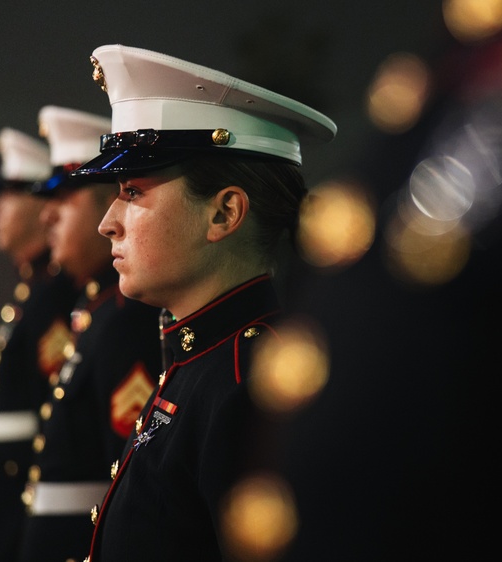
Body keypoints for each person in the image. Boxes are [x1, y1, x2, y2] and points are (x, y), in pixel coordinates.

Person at [68, 44, 336, 560]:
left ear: (224, 214)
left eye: (133, 192)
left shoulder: (250, 385)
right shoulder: (200, 361)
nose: (108, 223)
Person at [16, 105, 162, 562]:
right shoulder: (91, 311)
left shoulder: (124, 319)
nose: (47, 218)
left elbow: (126, 482)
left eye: (65, 201)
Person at [0, 127, 80, 562]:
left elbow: (53, 412)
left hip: (22, 486)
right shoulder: (34, 290)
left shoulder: (54, 295)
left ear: (40, 206)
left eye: (8, 196)